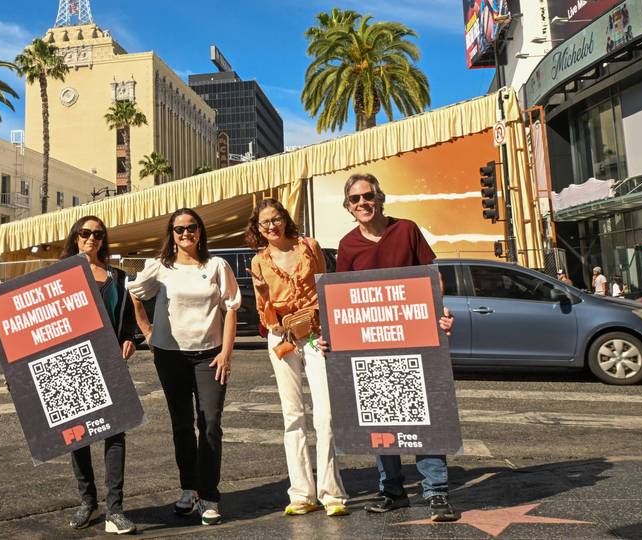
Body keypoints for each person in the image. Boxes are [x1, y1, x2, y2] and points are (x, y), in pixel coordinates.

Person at [333, 173, 459, 523]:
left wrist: (440, 313)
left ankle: (436, 492)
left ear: (379, 198)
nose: (362, 203)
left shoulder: (406, 229)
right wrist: (333, 336)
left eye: (367, 196)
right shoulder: (347, 245)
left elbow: (432, 276)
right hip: (370, 347)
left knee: (424, 417)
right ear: (348, 206)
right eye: (355, 199)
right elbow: (341, 298)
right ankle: (392, 492)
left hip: (416, 339)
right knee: (381, 419)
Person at [130, 208, 241, 526]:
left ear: (200, 231)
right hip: (170, 356)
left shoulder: (216, 266)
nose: (186, 233)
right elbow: (135, 295)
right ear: (172, 234)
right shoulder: (160, 267)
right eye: (179, 229)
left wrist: (227, 352)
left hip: (210, 356)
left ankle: (209, 496)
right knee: (181, 425)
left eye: (191, 227)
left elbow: (231, 307)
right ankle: (188, 489)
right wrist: (148, 332)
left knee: (209, 423)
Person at [245, 198, 349, 518]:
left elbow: (324, 289)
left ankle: (331, 492)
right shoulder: (259, 261)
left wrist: (329, 329)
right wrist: (263, 292)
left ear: (285, 219)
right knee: (293, 416)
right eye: (265, 223)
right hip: (283, 337)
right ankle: (302, 493)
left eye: (276, 219)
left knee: (326, 414)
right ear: (258, 229)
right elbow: (266, 315)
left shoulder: (309, 247)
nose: (272, 226)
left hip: (316, 334)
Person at [60, 215, 137, 535]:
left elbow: (127, 316)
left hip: (109, 363)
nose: (91, 238)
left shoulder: (117, 277)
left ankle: (115, 509)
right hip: (72, 364)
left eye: (98, 234)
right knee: (78, 435)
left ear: (104, 240)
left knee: (114, 435)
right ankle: (87, 502)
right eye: (85, 233)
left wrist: (130, 337)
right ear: (75, 238)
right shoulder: (60, 276)